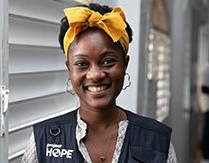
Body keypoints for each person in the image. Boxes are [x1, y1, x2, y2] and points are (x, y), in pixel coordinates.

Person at [22, 3, 177, 163]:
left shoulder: (157, 141)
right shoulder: (42, 140)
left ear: (125, 64)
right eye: (82, 63)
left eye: (108, 61)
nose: (95, 75)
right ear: (69, 68)